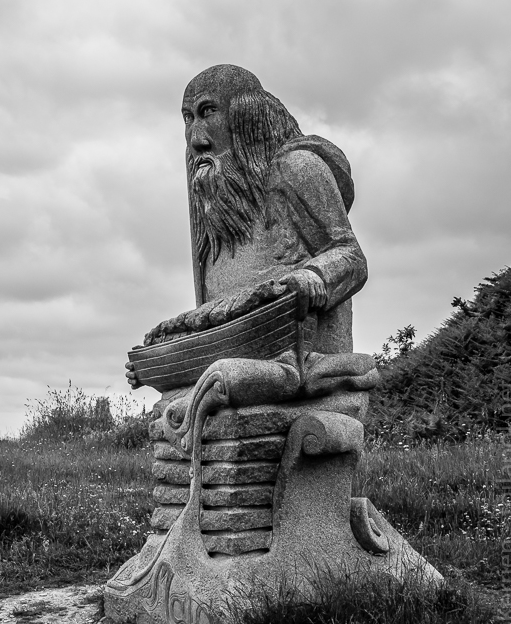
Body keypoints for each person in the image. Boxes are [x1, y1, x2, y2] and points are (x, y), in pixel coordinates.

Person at [127, 64, 367, 388]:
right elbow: (212, 314)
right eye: (188, 118)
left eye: (207, 112)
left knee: (224, 385)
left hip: (298, 356)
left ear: (245, 116)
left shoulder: (296, 169)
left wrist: (313, 277)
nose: (196, 139)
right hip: (238, 357)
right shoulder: (212, 206)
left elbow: (350, 256)